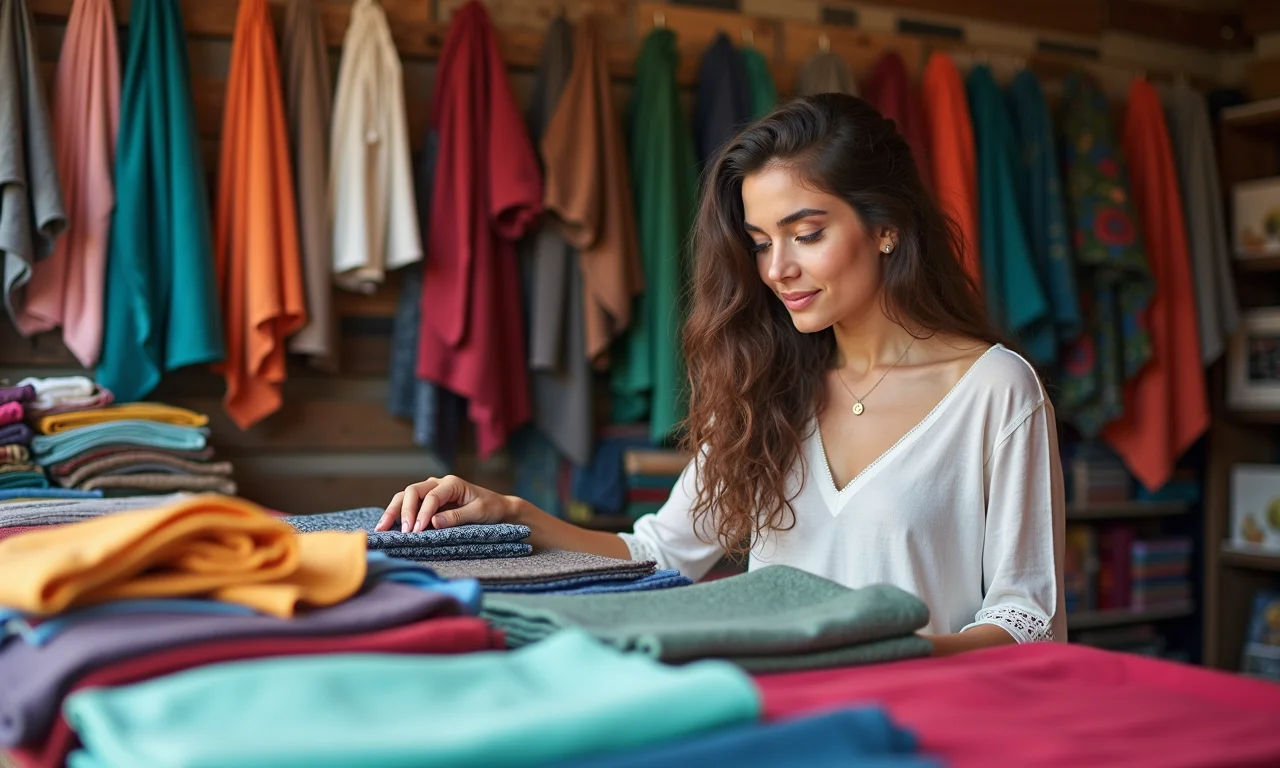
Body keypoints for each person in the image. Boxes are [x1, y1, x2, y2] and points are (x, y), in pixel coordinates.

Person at [379, 93, 1066, 657]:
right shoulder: (769, 383)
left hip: (919, 718)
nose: (776, 270)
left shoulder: (994, 391)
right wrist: (510, 512)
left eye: (807, 233)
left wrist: (894, 648)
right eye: (761, 242)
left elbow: (1026, 613)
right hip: (770, 713)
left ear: (885, 226)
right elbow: (660, 551)